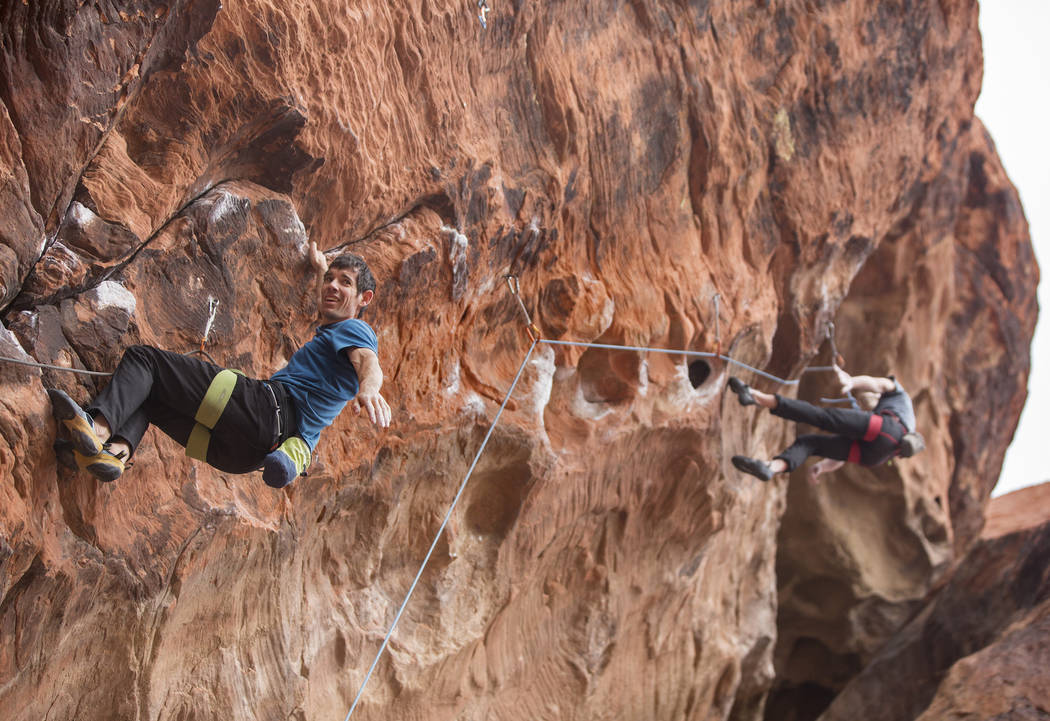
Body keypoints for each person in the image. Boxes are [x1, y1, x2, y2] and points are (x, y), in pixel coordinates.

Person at [48, 241, 391, 488]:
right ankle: (114, 453)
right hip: (242, 456)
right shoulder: (336, 331)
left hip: (260, 409)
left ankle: (97, 428)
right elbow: (332, 306)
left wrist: (370, 388)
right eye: (330, 278)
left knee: (145, 361)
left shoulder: (356, 329)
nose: (332, 285)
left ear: (365, 299)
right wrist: (319, 268)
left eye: (344, 282)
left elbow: (368, 361)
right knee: (149, 396)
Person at [727, 366, 924, 483]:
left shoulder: (901, 399)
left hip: (887, 430)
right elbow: (843, 455)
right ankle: (771, 467)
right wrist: (822, 467)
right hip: (877, 457)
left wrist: (851, 382)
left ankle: (754, 395)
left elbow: (879, 384)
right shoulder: (890, 439)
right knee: (811, 444)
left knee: (820, 417)